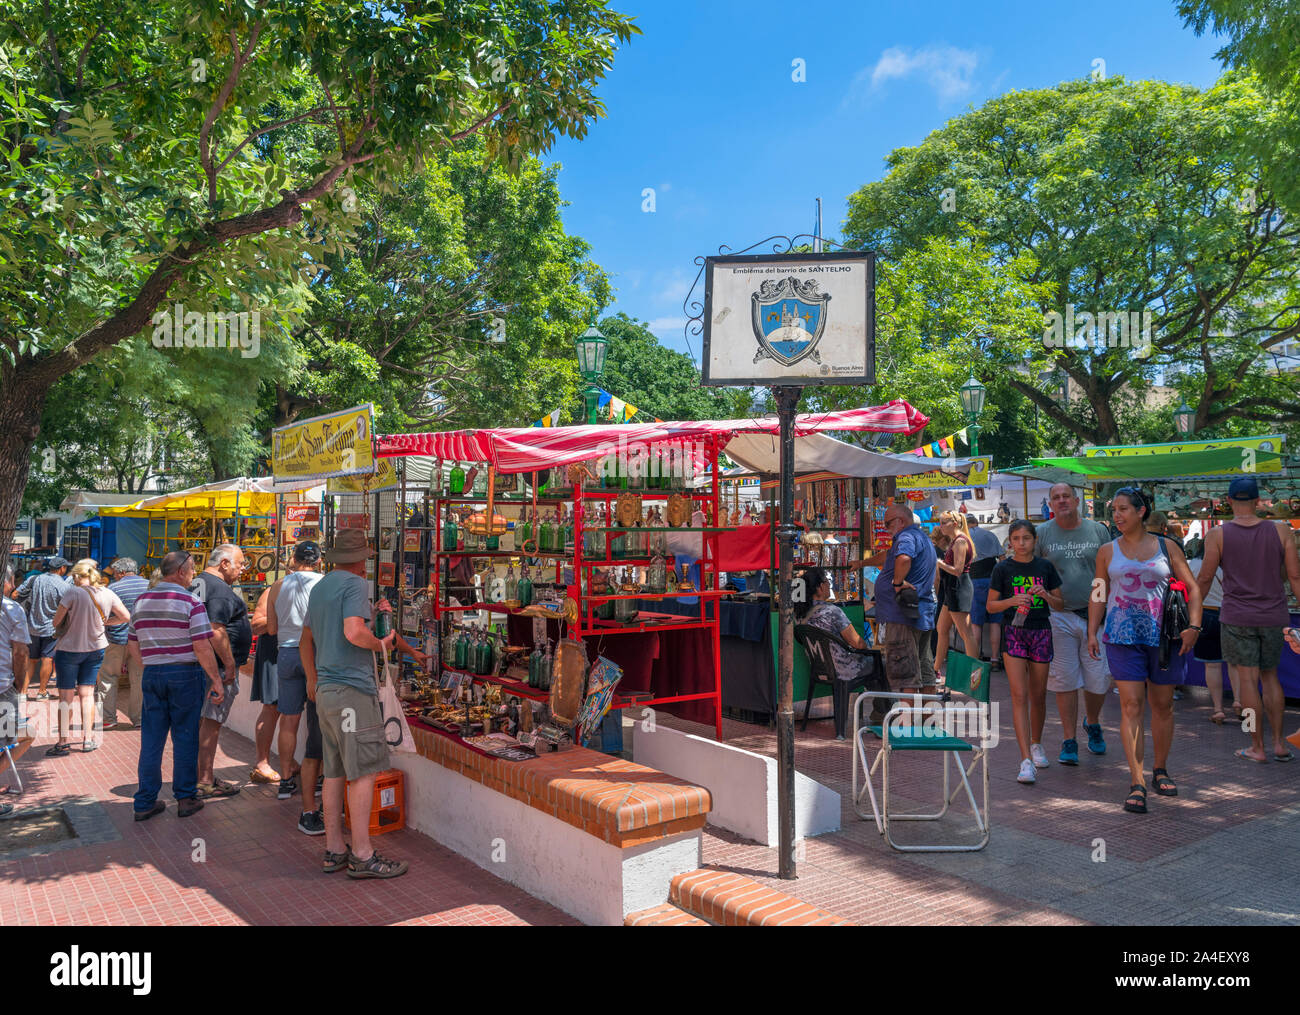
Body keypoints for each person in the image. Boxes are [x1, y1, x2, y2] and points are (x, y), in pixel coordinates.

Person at [1088, 487, 1202, 814]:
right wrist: (1092, 631)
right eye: (1114, 511)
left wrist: (1194, 626)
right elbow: (1099, 591)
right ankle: (1136, 781)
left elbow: (1192, 588)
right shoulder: (1107, 551)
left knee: (1163, 705)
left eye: (1123, 509)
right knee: (1131, 704)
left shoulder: (1167, 546)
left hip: (1165, 636)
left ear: (1141, 512)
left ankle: (1160, 769)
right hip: (1123, 636)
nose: (1117, 516)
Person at [300, 528, 407, 878]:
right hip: (351, 691)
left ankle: (334, 849)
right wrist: (382, 641)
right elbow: (351, 632)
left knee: (334, 772)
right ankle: (362, 854)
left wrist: (373, 617)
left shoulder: (320, 587)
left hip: (327, 690)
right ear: (360, 560)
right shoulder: (356, 585)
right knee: (362, 772)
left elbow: (315, 636)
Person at [1196, 477, 1300, 763]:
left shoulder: (1217, 535)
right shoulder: (1282, 532)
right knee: (1271, 677)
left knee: (1248, 682)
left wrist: (1193, 616)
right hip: (1275, 616)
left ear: (1228, 501)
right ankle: (1279, 743)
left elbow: (1204, 579)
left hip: (1238, 616)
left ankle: (1257, 746)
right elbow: (1294, 577)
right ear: (1258, 501)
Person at [127, 550, 225, 821]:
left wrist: (149, 664)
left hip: (154, 674)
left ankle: (145, 801)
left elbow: (132, 641)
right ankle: (185, 798)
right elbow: (202, 645)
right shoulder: (190, 601)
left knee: (151, 740)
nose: (194, 574)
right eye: (193, 569)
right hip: (184, 674)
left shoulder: (142, 601)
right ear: (181, 571)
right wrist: (216, 679)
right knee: (185, 738)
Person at [1036, 482, 1114, 765]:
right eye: (1055, 497)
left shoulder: (1098, 530)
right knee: (1064, 681)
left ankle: (1092, 722)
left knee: (1099, 679)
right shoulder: (1042, 533)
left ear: (1077, 499)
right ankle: (1069, 739)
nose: (1061, 501)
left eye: (1065, 496)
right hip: (1057, 616)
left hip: (1095, 616)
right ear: (1051, 503)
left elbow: (1107, 572)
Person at [987, 520, 1064, 785]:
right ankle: (1024, 760)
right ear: (1009, 541)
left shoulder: (1045, 567)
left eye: (1026, 538)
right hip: (1014, 632)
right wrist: (1012, 600)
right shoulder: (1002, 568)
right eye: (1016, 538)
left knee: (1038, 694)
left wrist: (1044, 595)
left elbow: (1060, 603)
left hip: (1041, 631)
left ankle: (1036, 743)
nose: (1021, 543)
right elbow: (991, 606)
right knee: (1018, 695)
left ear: (1035, 541)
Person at [853, 505, 938, 719]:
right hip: (920, 611)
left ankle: (907, 725)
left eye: (888, 523)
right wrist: (862, 563)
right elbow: (890, 556)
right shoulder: (921, 537)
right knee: (924, 668)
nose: (886, 528)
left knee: (905, 671)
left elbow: (903, 559)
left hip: (902, 615)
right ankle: (928, 723)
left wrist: (897, 583)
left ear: (900, 521)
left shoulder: (906, 537)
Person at [46, 560, 130, 756]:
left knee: (65, 697)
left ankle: (63, 741)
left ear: (76, 576)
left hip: (69, 649)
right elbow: (126, 616)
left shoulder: (72, 593)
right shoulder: (107, 593)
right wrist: (106, 622)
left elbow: (56, 622)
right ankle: (88, 739)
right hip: (96, 648)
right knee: (87, 694)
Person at [191, 545, 251, 799]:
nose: (242, 569)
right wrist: (227, 665)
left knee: (203, 721)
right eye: (239, 564)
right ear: (224, 564)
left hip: (199, 664)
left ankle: (198, 776)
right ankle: (204, 780)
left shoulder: (197, 583)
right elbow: (216, 631)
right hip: (214, 667)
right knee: (212, 722)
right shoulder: (219, 590)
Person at [273, 541, 326, 829]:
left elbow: (270, 626)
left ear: (293, 559)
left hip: (286, 652)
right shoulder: (324, 584)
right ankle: (317, 778)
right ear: (319, 561)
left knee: (289, 722)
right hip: (313, 652)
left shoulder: (279, 585)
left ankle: (284, 780)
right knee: (317, 722)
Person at [794, 566, 875, 740]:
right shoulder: (833, 612)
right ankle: (882, 714)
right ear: (820, 587)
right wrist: (870, 650)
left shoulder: (800, 615)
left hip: (819, 669)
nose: (829, 584)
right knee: (879, 664)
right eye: (827, 581)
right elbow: (857, 642)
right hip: (843, 670)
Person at [1187, 540, 1238, 723]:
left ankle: (1218, 709)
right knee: (1234, 663)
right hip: (1228, 613)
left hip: (1203, 614)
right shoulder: (1228, 566)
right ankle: (1238, 701)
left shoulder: (1191, 564)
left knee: (1212, 665)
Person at [99, 557, 149, 730]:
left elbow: (104, 615)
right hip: (142, 641)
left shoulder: (112, 588)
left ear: (120, 573)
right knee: (139, 679)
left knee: (108, 678)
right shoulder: (149, 586)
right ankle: (139, 719)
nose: (114, 577)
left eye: (115, 574)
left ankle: (108, 718)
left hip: (116, 640)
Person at [0, 565, 33, 812]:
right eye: (12, 580)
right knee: (14, 737)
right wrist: (21, 684)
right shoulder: (11, 609)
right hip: (2, 687)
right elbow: (21, 652)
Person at [16, 556, 72, 701]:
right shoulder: (64, 586)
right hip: (51, 629)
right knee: (47, 659)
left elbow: (17, 593)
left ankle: (22, 692)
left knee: (31, 660)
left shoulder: (35, 579)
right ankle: (42, 691)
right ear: (61, 569)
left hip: (32, 626)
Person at [933, 510, 979, 681]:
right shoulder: (956, 541)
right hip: (952, 589)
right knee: (942, 629)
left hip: (959, 588)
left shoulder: (960, 541)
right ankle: (935, 669)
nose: (941, 526)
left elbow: (958, 570)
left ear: (955, 523)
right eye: (941, 522)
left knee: (966, 633)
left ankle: (974, 673)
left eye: (944, 522)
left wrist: (940, 563)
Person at [968, 517, 1005, 673]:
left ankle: (975, 660)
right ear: (977, 522)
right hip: (993, 581)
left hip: (974, 581)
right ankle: (995, 660)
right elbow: (1002, 559)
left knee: (977, 623)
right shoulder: (990, 535)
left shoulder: (964, 537)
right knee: (995, 622)